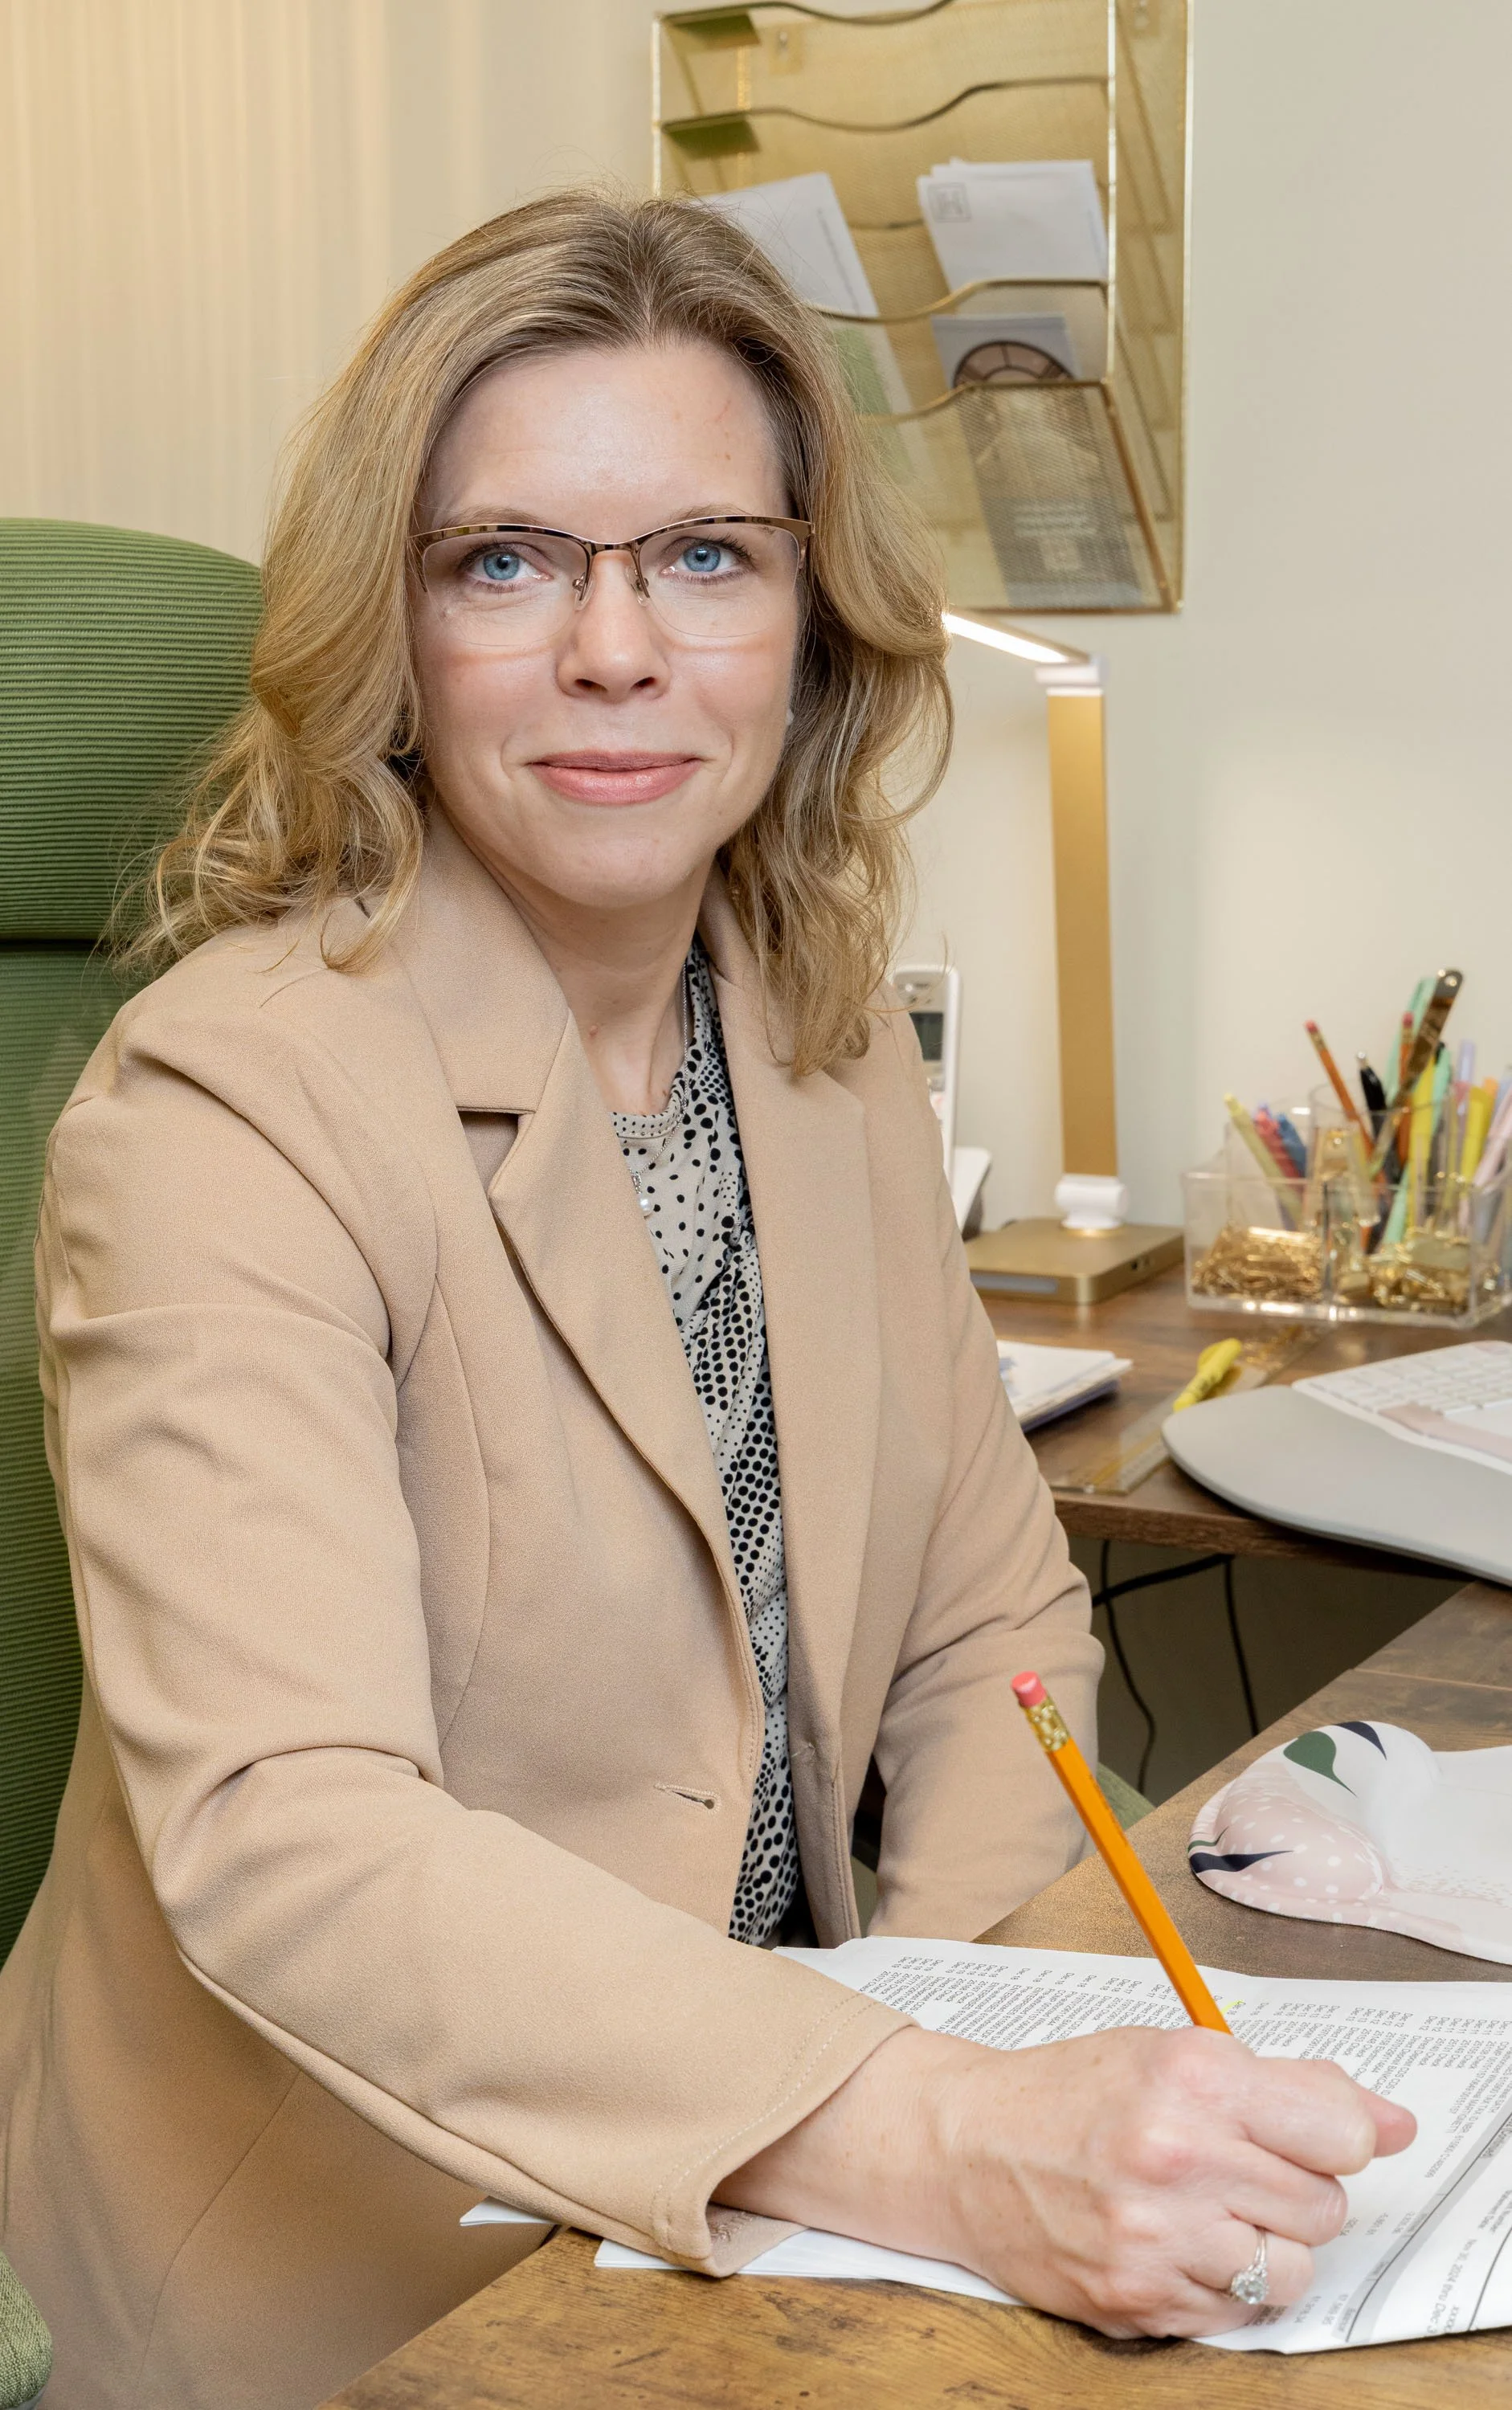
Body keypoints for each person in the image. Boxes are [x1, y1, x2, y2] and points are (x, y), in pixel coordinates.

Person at [0, 193, 1411, 2410]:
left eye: (703, 557)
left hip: (784, 2194)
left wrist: (962, 2046)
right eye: (506, 561)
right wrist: (934, 2129)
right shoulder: (228, 1112)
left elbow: (991, 1632)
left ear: (810, 622)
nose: (616, 650)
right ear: (393, 630)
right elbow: (297, 1840)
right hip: (366, 2253)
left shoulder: (815, 1043)